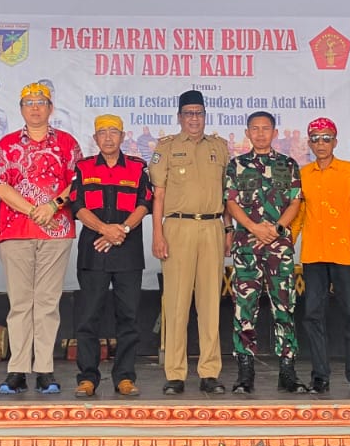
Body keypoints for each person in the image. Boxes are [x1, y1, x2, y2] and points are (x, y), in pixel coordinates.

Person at [0, 82, 82, 394]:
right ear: (21, 109)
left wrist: (53, 206)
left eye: (41, 102)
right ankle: (17, 370)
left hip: (57, 231)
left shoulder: (67, 143)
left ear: (50, 108)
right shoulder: (6, 145)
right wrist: (32, 210)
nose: (35, 108)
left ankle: (44, 369)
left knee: (47, 302)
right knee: (20, 302)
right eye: (29, 103)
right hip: (16, 231)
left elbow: (77, 182)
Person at [150, 90, 232, 395]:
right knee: (177, 304)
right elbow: (158, 195)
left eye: (199, 113)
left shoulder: (219, 147)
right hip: (178, 227)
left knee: (210, 303)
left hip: (212, 226)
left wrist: (228, 229)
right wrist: (157, 234)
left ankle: (209, 371)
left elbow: (226, 193)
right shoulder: (167, 148)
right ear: (179, 117)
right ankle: (175, 373)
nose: (194, 118)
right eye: (189, 113)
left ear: (205, 116)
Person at [68, 114, 153, 398]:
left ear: (123, 136)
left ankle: (125, 377)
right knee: (88, 317)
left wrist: (122, 230)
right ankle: (87, 378)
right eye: (102, 132)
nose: (107, 137)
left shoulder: (138, 168)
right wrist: (105, 229)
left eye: (113, 132)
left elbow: (145, 203)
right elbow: (77, 206)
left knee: (128, 317)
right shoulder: (83, 167)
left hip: (128, 251)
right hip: (94, 250)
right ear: (95, 138)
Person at [223, 111, 304, 394]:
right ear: (247, 133)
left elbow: (295, 202)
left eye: (265, 128)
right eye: (254, 129)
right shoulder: (236, 165)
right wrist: (254, 228)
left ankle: (287, 370)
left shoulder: (288, 164)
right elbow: (231, 203)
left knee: (284, 307)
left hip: (279, 248)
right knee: (245, 309)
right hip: (247, 247)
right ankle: (245, 372)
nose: (260, 133)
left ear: (274, 133)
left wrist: (277, 228)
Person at [294, 117, 350, 396]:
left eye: (326, 138)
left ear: (335, 142)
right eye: (315, 138)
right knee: (312, 316)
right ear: (309, 143)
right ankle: (320, 376)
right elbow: (298, 214)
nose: (321, 143)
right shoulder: (303, 174)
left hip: (346, 253)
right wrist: (285, 244)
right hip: (314, 254)